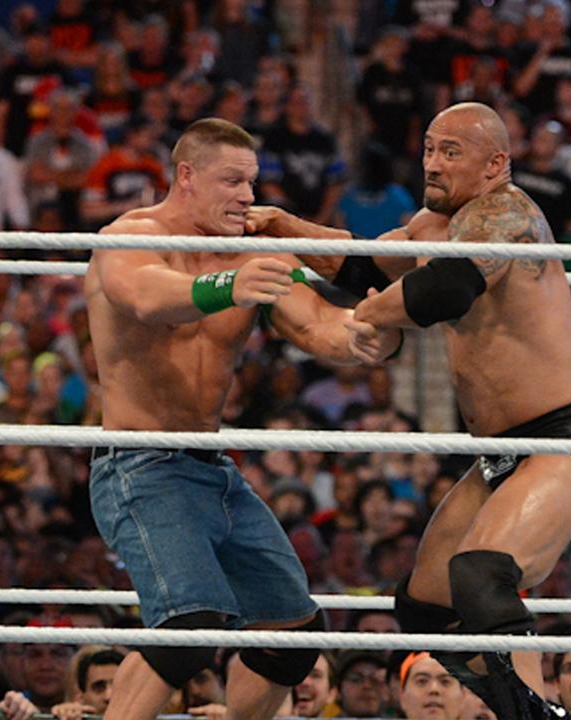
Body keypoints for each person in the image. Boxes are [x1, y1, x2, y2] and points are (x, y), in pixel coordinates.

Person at [250, 102, 571, 720]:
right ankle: (522, 708)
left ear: (496, 164)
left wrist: (366, 317)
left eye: (452, 152)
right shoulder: (428, 226)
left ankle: (532, 713)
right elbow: (361, 263)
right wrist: (282, 225)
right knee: (425, 606)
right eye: (428, 149)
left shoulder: (508, 215)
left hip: (559, 444)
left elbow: (441, 291)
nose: (433, 164)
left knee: (478, 575)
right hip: (496, 455)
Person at [85, 117, 402, 720]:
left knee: (293, 633)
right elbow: (149, 297)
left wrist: (370, 333)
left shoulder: (254, 253)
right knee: (190, 625)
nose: (247, 198)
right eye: (231, 181)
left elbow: (317, 326)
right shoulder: (130, 236)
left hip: (213, 467)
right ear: (186, 176)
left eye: (252, 183)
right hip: (140, 464)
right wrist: (227, 285)